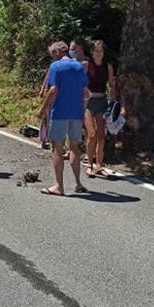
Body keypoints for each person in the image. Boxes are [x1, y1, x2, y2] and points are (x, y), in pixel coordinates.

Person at [37, 41, 89, 196]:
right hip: (76, 113)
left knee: (56, 148)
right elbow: (85, 91)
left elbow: (53, 90)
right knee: (74, 147)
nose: (52, 58)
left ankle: (59, 186)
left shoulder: (56, 66)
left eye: (52, 54)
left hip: (59, 112)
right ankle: (78, 183)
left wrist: (42, 110)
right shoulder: (79, 66)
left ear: (58, 52)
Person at [84, 40, 116, 177]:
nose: (98, 53)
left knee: (101, 136)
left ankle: (100, 165)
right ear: (92, 52)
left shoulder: (108, 66)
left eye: (101, 51)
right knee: (91, 135)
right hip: (89, 102)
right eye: (96, 51)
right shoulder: (86, 65)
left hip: (102, 101)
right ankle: (89, 164)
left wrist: (113, 102)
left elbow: (111, 84)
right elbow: (79, 82)